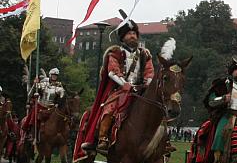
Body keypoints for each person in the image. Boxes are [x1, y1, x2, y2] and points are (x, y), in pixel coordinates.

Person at [80, 15, 154, 154]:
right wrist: (125, 84)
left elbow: (150, 72)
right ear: (122, 37)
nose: (132, 36)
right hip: (120, 89)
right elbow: (112, 72)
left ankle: (163, 142)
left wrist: (147, 83)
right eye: (129, 33)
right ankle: (102, 139)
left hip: (140, 90)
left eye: (134, 33)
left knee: (156, 106)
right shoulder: (115, 53)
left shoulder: (145, 54)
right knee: (110, 108)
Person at [21, 68, 66, 141]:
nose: (54, 77)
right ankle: (32, 134)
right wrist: (35, 84)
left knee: (61, 116)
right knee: (34, 114)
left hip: (51, 107)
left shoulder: (59, 86)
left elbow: (62, 95)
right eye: (53, 75)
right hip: (40, 105)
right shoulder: (43, 84)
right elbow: (30, 94)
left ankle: (61, 134)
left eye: (56, 75)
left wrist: (59, 101)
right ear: (50, 75)